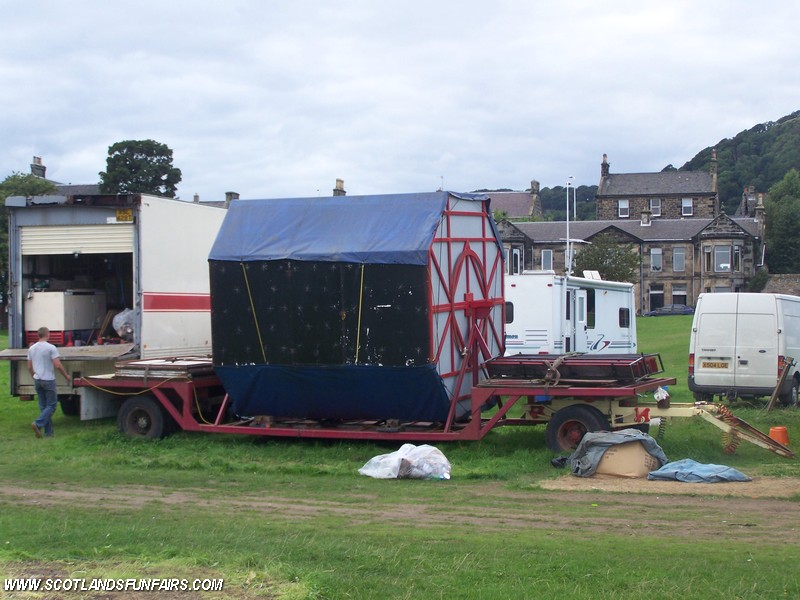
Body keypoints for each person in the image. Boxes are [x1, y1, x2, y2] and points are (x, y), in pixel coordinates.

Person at [27, 327, 70, 438]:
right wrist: (66, 376)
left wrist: (34, 376)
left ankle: (48, 433)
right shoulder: (51, 348)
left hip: (37, 379)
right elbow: (57, 365)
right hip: (48, 380)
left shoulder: (32, 348)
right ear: (47, 334)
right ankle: (38, 423)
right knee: (52, 405)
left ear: (38, 335)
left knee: (43, 407)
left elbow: (29, 366)